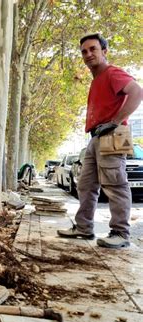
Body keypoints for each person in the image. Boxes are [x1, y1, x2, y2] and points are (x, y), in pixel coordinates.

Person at [57, 33, 142, 249]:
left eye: (93, 49)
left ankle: (120, 233)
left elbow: (137, 92)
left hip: (115, 133)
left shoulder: (112, 73)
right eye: (84, 51)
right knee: (85, 185)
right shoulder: (97, 80)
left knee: (115, 184)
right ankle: (83, 228)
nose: (88, 54)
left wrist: (114, 121)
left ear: (104, 51)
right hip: (96, 136)